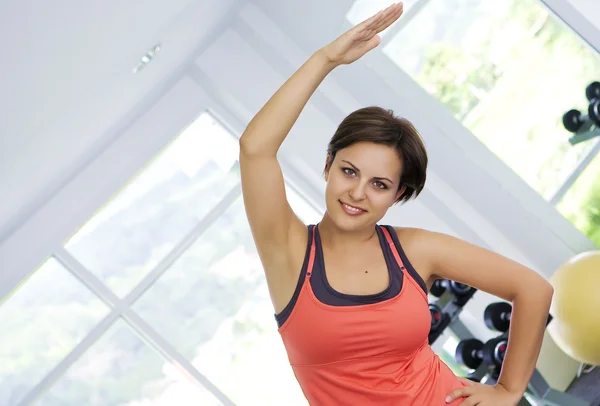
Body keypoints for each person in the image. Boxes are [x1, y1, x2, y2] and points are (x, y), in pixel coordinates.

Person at [239, 2, 554, 405]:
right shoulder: (289, 253)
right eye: (349, 171)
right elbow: (255, 149)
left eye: (379, 184)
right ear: (328, 165)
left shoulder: (415, 251)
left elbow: (532, 289)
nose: (357, 193)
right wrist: (326, 59)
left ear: (398, 195)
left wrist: (509, 390)